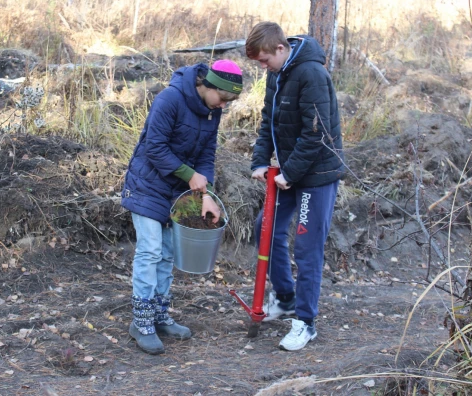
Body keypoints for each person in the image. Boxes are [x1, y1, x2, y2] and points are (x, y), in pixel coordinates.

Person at [121, 60, 243, 355]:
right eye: (223, 99)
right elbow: (155, 147)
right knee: (150, 250)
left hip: (175, 191)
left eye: (229, 102)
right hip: (147, 185)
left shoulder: (212, 112)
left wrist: (208, 194)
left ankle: (160, 315)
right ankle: (141, 322)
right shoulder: (170, 99)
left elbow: (206, 155)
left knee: (167, 254)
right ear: (209, 86)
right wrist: (190, 176)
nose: (224, 106)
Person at [245, 22, 344, 351]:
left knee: (306, 246)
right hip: (289, 172)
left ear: (280, 49)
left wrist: (291, 172)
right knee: (266, 228)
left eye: (263, 60)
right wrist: (260, 160)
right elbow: (268, 122)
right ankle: (285, 298)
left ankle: (306, 322)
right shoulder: (277, 73)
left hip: (315, 175)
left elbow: (317, 133)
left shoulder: (311, 74)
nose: (262, 67)